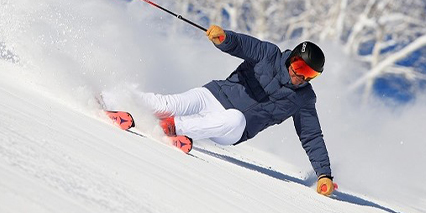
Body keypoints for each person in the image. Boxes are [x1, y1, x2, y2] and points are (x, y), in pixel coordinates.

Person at [138, 24, 335, 196]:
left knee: (235, 118)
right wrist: (225, 39)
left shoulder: (303, 98)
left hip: (233, 129)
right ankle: (119, 99)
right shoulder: (269, 54)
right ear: (292, 59)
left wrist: (324, 174)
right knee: (167, 105)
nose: (301, 76)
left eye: (310, 74)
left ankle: (170, 127)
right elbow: (243, 45)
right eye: (300, 67)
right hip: (213, 95)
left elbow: (311, 136)